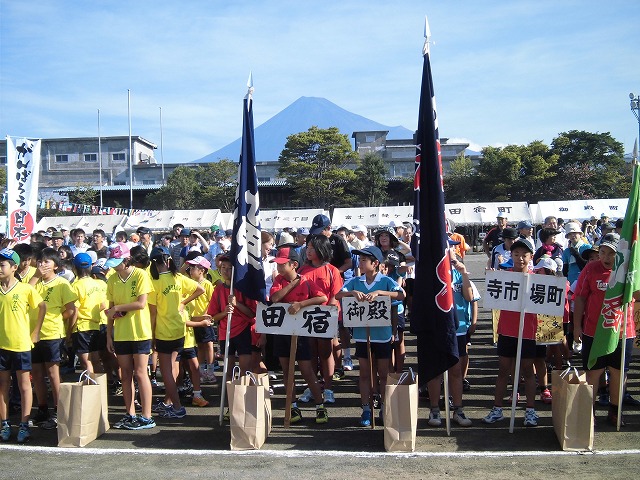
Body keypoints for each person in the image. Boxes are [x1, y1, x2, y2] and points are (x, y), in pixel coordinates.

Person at [573, 233, 640, 426]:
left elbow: (637, 295)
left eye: (611, 253)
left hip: (622, 331)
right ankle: (589, 413)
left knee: (619, 372)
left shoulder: (630, 269)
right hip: (594, 331)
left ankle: (614, 411)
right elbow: (580, 298)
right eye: (602, 252)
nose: (606, 257)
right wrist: (577, 326)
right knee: (593, 372)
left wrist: (632, 278)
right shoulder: (591, 268)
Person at [335, 245, 404, 427]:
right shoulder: (356, 281)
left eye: (365, 260)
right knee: (365, 374)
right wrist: (351, 293)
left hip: (381, 334)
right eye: (361, 260)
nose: (361, 263)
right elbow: (337, 294)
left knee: (383, 373)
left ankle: (384, 406)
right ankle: (366, 408)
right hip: (361, 333)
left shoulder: (386, 280)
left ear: (375, 263)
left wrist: (380, 293)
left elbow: (401, 294)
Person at [483, 237, 540, 427]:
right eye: (516, 254)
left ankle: (530, 411)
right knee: (503, 370)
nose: (520, 258)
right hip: (507, 331)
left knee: (528, 371)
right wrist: (491, 276)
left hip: (528, 332)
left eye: (524, 255)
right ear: (511, 255)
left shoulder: (537, 278)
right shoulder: (504, 276)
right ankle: (497, 409)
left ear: (531, 257)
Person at [269, 246, 329, 424]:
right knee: (287, 371)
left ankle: (320, 406)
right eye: (277, 264)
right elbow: (274, 298)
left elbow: (322, 298)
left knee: (307, 370)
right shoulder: (279, 280)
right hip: (282, 331)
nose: (279, 268)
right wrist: (292, 284)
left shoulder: (307, 281)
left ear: (294, 264)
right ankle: (292, 406)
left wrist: (301, 304)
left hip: (301, 332)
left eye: (282, 264)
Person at [147, 246, 204, 419]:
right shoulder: (177, 277)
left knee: (166, 373)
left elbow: (153, 314)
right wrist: (183, 302)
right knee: (172, 369)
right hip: (179, 330)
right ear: (168, 260)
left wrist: (151, 337)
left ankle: (177, 407)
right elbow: (199, 289)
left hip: (164, 332)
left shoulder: (154, 283)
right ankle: (170, 403)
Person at [104, 243, 156, 430]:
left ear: (127, 260)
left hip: (140, 332)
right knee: (125, 374)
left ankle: (147, 416)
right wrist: (109, 335)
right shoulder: (112, 279)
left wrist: (118, 308)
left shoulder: (141, 274)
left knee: (141, 372)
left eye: (118, 262)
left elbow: (142, 304)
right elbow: (109, 309)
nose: (114, 266)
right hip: (122, 333)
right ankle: (130, 413)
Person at [426, 249, 477, 428]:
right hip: (436, 328)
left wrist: (464, 274)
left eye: (453, 250)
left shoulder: (459, 273)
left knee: (456, 371)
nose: (451, 254)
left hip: (459, 328)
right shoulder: (431, 272)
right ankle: (434, 409)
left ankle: (458, 409)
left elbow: (470, 297)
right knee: (435, 371)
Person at [0, 248, 45, 443]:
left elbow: (42, 306)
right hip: (1, 345)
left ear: (14, 267)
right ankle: (5, 424)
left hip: (21, 344)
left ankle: (24, 425)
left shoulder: (25, 289)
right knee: (3, 385)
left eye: (2, 265)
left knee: (24, 385)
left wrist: (35, 332)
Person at [31, 247, 78, 430]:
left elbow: (72, 310)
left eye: (47, 262)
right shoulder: (34, 282)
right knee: (36, 374)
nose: (42, 265)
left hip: (52, 333)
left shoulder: (62, 284)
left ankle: (59, 409)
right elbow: (23, 293)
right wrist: (35, 276)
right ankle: (42, 408)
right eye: (40, 261)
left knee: (52, 373)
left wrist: (63, 325)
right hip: (32, 334)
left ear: (56, 266)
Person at [297, 235, 343, 405]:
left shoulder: (332, 270)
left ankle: (328, 387)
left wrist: (327, 313)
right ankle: (313, 386)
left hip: (325, 317)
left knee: (325, 352)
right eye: (307, 247)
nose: (308, 250)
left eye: (312, 247)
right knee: (310, 353)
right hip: (306, 318)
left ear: (321, 249)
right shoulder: (302, 270)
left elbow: (335, 295)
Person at [206, 255, 257, 381]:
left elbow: (252, 313)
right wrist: (224, 312)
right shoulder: (218, 290)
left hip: (243, 330)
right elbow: (213, 317)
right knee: (228, 370)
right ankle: (230, 398)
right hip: (225, 332)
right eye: (223, 267)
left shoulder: (244, 289)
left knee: (245, 369)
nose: (225, 271)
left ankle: (244, 397)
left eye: (229, 268)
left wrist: (237, 304)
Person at [70, 253, 107, 374]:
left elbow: (74, 310)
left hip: (81, 327)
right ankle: (101, 388)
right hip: (95, 325)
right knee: (95, 360)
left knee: (86, 362)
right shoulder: (96, 283)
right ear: (91, 267)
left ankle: (91, 389)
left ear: (74, 268)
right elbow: (102, 305)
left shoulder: (75, 286)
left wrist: (69, 330)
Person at [185, 256, 217, 385]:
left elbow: (213, 301)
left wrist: (208, 314)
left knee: (208, 344)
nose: (190, 270)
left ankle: (210, 370)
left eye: (194, 267)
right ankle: (201, 370)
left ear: (201, 270)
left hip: (205, 318)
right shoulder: (189, 283)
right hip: (193, 319)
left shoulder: (207, 284)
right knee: (199, 346)